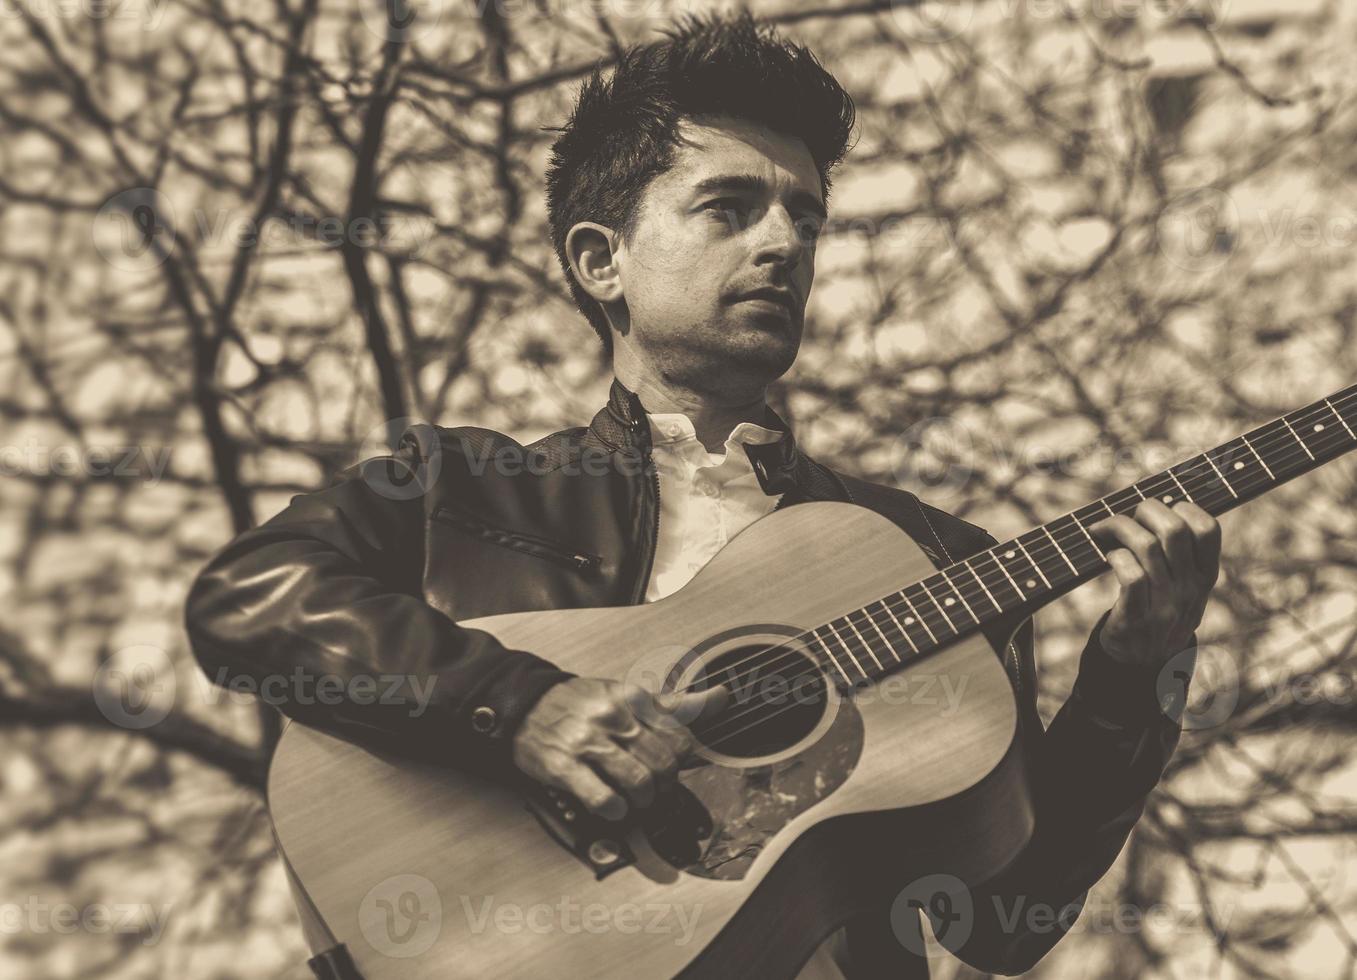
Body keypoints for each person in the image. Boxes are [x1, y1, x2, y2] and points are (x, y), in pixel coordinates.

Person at [184, 13, 1221, 978]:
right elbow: (248, 595)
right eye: (729, 207)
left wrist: (1133, 676)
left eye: (803, 217)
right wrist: (520, 705)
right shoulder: (457, 488)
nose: (783, 243)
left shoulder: (933, 554)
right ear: (602, 261)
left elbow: (1005, 921)